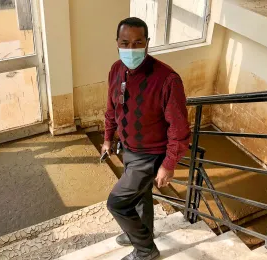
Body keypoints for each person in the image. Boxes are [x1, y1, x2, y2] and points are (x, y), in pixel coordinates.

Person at [102, 17, 191, 260]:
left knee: (118, 203)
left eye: (137, 42)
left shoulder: (167, 79)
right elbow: (112, 109)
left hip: (150, 154)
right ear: (117, 43)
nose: (131, 49)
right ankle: (141, 232)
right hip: (127, 147)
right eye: (125, 43)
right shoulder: (116, 69)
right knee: (141, 194)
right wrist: (108, 138)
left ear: (147, 43)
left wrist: (168, 164)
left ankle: (145, 250)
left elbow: (179, 129)